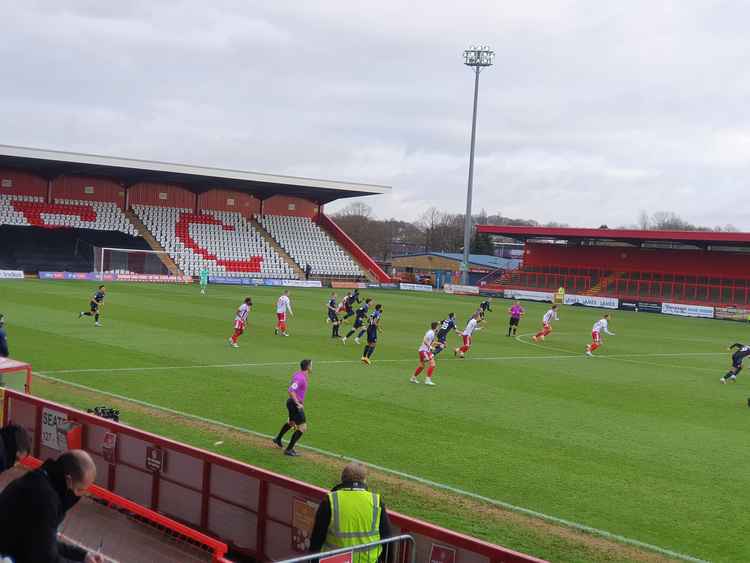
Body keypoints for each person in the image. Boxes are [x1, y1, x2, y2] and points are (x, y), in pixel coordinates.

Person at [0, 449, 104, 563]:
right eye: (80, 489)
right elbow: (47, 558)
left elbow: (43, 542)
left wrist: (83, 556)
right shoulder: (46, 501)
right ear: (68, 480)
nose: (81, 495)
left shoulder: (36, 480)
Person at [309, 462, 392, 561]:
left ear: (342, 479)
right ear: (364, 480)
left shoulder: (331, 500)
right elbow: (387, 538)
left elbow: (317, 537)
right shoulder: (376, 501)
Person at [273, 359, 312, 456]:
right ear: (308, 367)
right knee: (302, 427)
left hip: (291, 403)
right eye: (311, 365)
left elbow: (291, 383)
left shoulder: (298, 374)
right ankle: (289, 449)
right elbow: (290, 390)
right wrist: (297, 403)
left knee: (292, 423)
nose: (312, 367)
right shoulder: (301, 378)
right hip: (295, 404)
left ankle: (278, 439)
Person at [411, 322, 438, 386]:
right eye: (438, 326)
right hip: (424, 351)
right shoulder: (430, 333)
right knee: (432, 364)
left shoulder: (432, 332)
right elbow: (425, 340)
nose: (438, 328)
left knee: (422, 366)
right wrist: (430, 347)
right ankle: (427, 380)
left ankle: (413, 378)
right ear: (436, 327)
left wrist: (439, 344)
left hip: (423, 351)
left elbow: (430, 342)